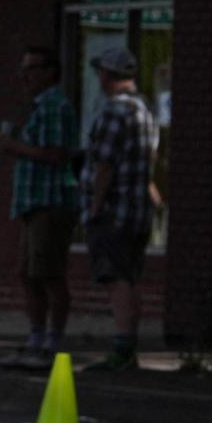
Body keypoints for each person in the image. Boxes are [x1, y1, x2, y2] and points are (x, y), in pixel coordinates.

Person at [0, 46, 78, 370]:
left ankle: (53, 343)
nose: (25, 76)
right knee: (27, 274)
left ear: (50, 71)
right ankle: (35, 338)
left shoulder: (55, 107)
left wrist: (13, 145)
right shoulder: (39, 107)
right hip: (32, 204)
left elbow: (56, 154)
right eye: (23, 68)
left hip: (51, 201)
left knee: (49, 273)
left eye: (31, 68)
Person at [80, 46, 161, 371]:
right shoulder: (144, 109)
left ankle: (123, 348)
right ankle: (128, 346)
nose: (98, 77)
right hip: (138, 209)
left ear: (108, 75)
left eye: (101, 71)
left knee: (116, 278)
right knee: (128, 276)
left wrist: (96, 206)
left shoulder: (115, 111)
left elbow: (105, 166)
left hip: (116, 210)